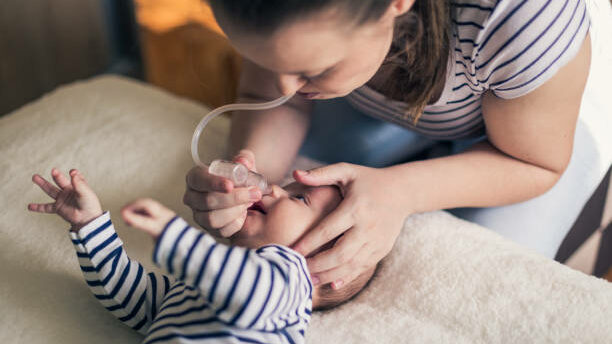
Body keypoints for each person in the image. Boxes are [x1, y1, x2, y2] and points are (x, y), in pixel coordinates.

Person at [183, 0, 595, 291]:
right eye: (271, 64)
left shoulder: (522, 13)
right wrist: (245, 185)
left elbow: (535, 163)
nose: (284, 86)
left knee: (487, 278)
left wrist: (401, 191)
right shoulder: (282, 16)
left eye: (314, 69)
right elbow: (275, 99)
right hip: (366, 111)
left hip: (516, 143)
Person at [27, 168, 375, 343]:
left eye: (299, 199)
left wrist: (176, 238)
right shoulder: (205, 279)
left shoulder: (291, 279)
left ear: (332, 257)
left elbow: (247, 290)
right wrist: (89, 227)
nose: (276, 190)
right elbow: (134, 300)